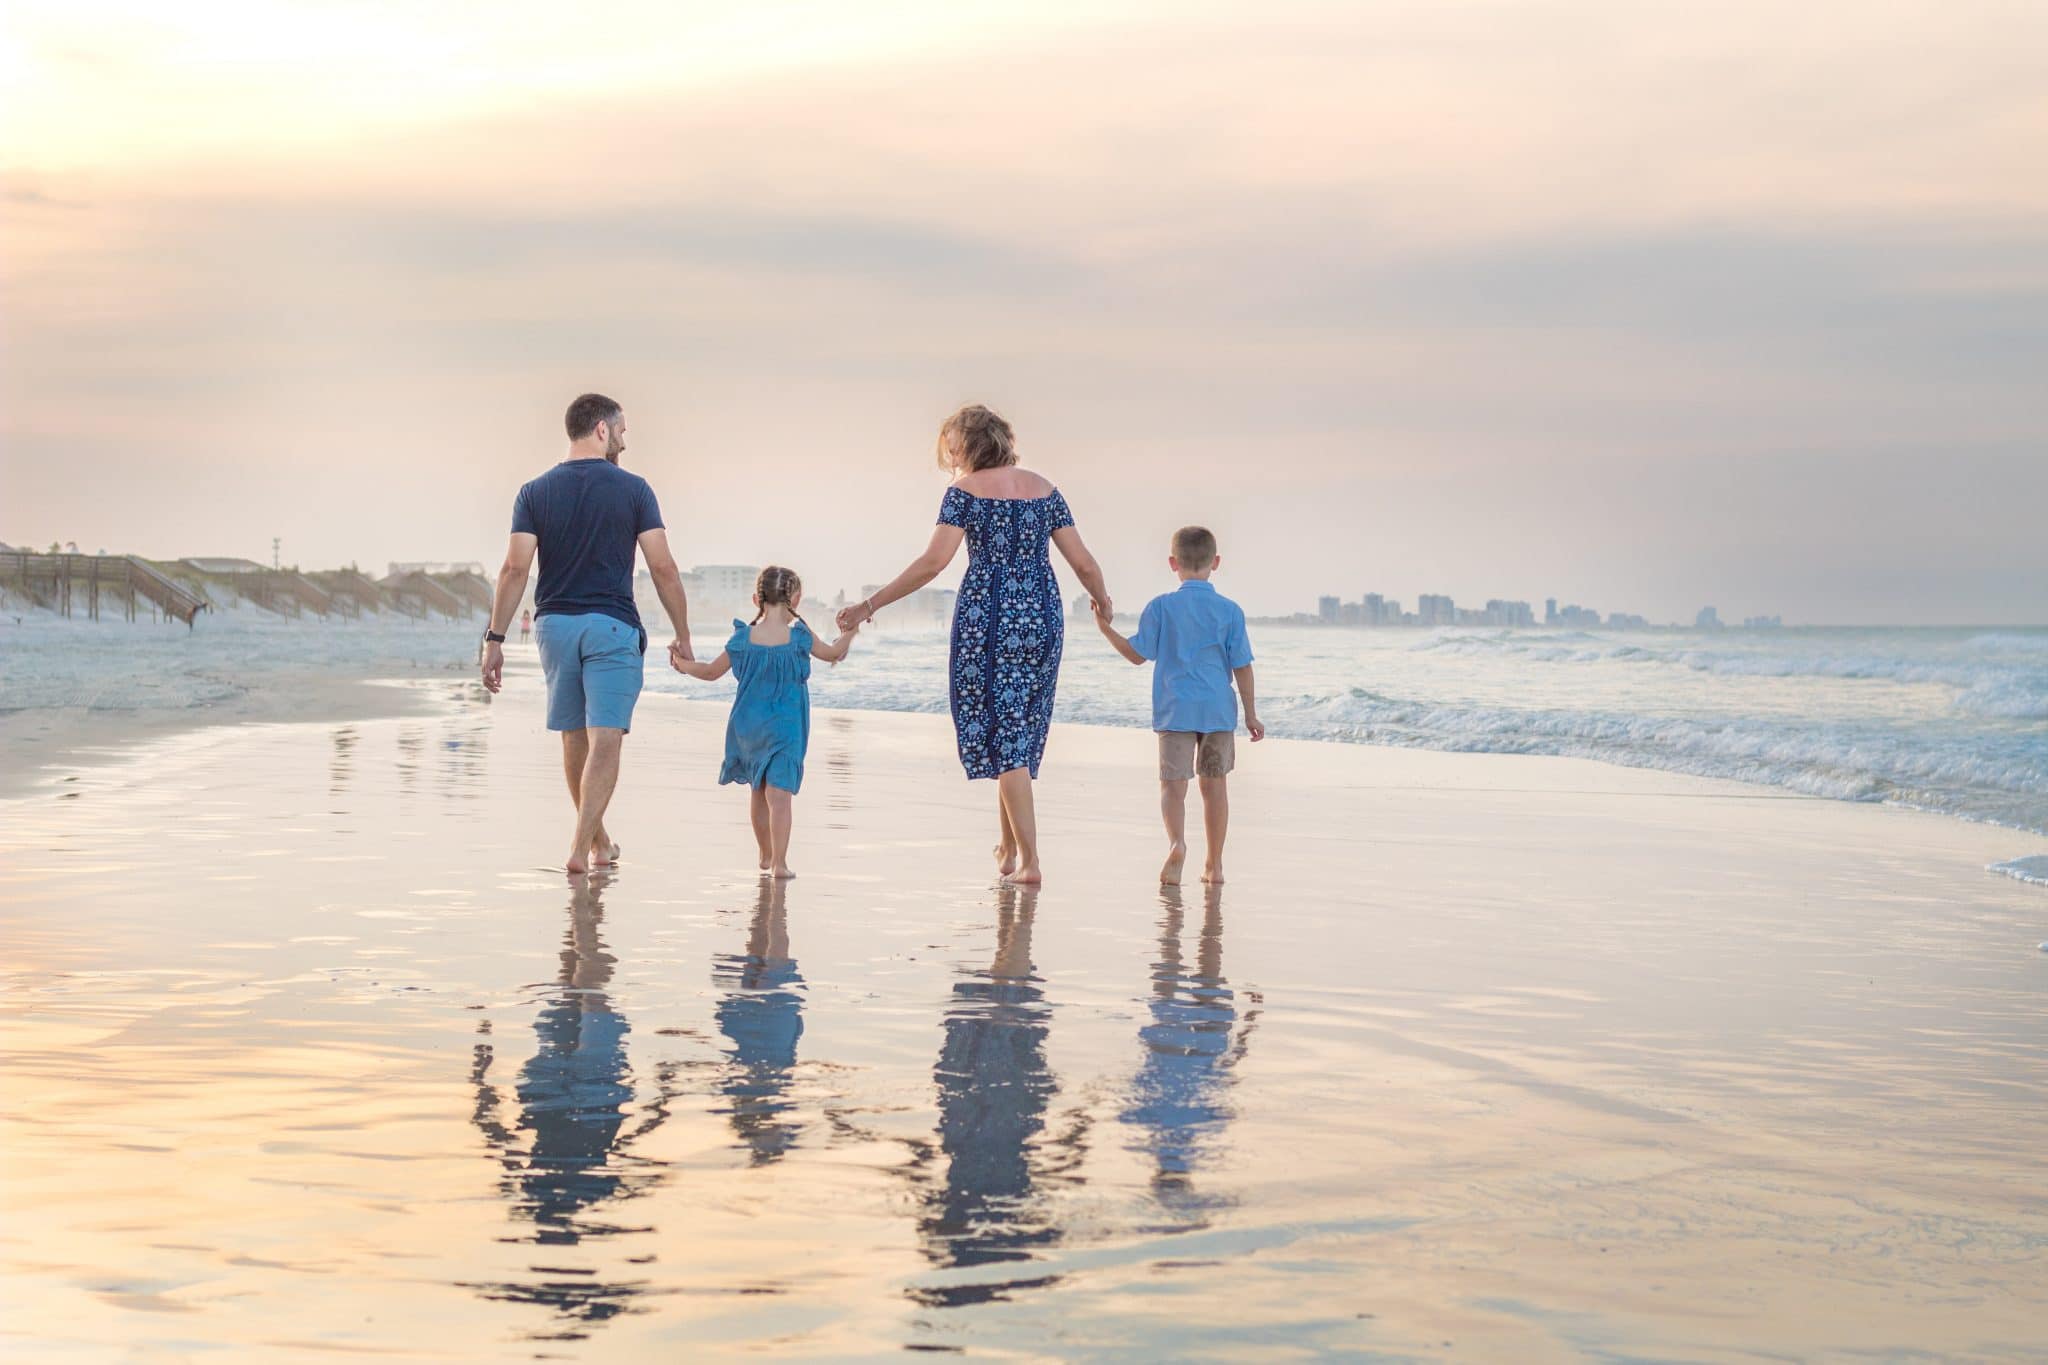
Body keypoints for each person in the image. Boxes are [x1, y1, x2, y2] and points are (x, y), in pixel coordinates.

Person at [837, 404, 1113, 885]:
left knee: (1004, 735)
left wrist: (869, 606)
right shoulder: (1045, 489)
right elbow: (1083, 562)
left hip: (988, 619)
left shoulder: (963, 493)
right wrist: (1102, 600)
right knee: (1018, 729)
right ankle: (1007, 849)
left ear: (963, 446)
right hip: (1042, 617)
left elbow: (932, 563)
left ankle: (1030, 861)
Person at [480, 393, 694, 874]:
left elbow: (515, 569)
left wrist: (494, 640)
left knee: (573, 737)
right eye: (621, 430)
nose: (624, 440)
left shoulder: (534, 492)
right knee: (606, 739)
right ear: (601, 429)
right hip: (612, 627)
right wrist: (682, 632)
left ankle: (598, 842)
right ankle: (580, 849)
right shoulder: (635, 490)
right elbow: (663, 567)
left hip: (554, 627)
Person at [1094, 525, 1262, 884]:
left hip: (1174, 710)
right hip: (1217, 711)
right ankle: (1214, 865)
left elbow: (1137, 655)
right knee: (1214, 787)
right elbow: (1243, 667)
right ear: (1215, 562)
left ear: (1173, 563)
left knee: (1173, 785)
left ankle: (1177, 843)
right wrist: (1250, 714)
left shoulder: (1161, 607)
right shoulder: (1230, 611)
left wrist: (1105, 628)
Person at [671, 566, 858, 878]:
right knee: (780, 795)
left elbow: (709, 672)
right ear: (796, 599)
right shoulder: (800, 637)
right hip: (786, 728)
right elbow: (834, 653)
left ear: (757, 598)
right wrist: (850, 632)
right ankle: (780, 863)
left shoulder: (742, 639)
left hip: (749, 726)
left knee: (758, 791)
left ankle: (765, 853)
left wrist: (681, 663)